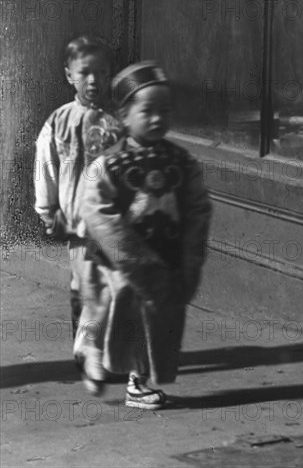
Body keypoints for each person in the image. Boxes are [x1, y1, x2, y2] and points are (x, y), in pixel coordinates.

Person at [74, 60, 212, 408]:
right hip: (119, 259)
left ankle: (139, 376)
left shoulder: (181, 162)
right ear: (124, 116)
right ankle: (120, 368)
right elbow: (95, 209)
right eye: (147, 110)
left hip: (164, 253)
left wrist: (190, 257)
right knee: (124, 308)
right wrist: (131, 257)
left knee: (160, 314)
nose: (157, 119)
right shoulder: (109, 164)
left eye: (164, 111)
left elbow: (197, 207)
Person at [34, 35, 122, 338]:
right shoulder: (60, 122)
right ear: (69, 75)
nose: (94, 79)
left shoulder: (119, 121)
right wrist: (48, 211)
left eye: (101, 72)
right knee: (85, 283)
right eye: (85, 72)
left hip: (118, 219)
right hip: (80, 224)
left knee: (117, 282)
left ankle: (116, 349)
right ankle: (87, 349)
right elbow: (47, 166)